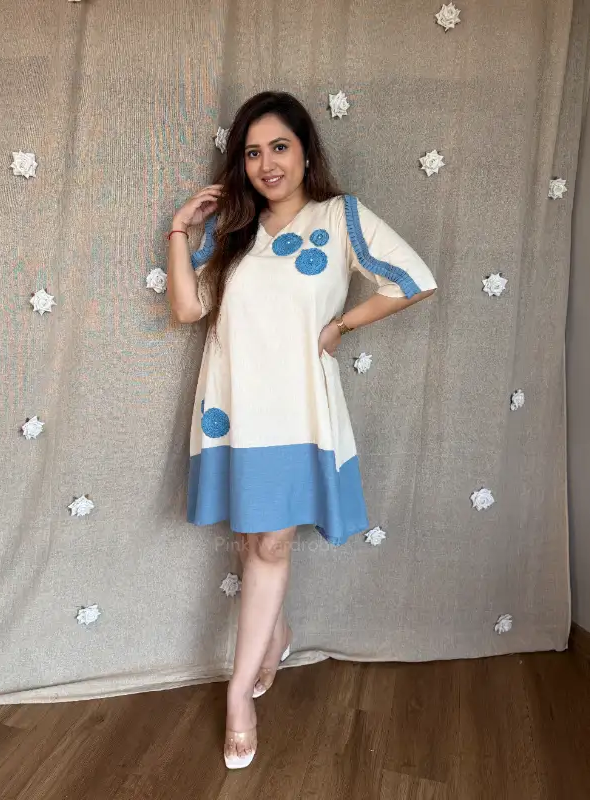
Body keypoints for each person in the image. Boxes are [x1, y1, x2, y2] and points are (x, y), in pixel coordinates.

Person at [167, 91, 437, 769]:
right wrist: (178, 231)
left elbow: (414, 278)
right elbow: (186, 308)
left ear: (306, 152)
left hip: (297, 410)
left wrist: (342, 324)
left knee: (270, 544)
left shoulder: (339, 217)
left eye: (279, 147)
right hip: (233, 412)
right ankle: (277, 629)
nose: (267, 164)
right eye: (252, 152)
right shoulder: (233, 232)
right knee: (252, 538)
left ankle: (238, 696)